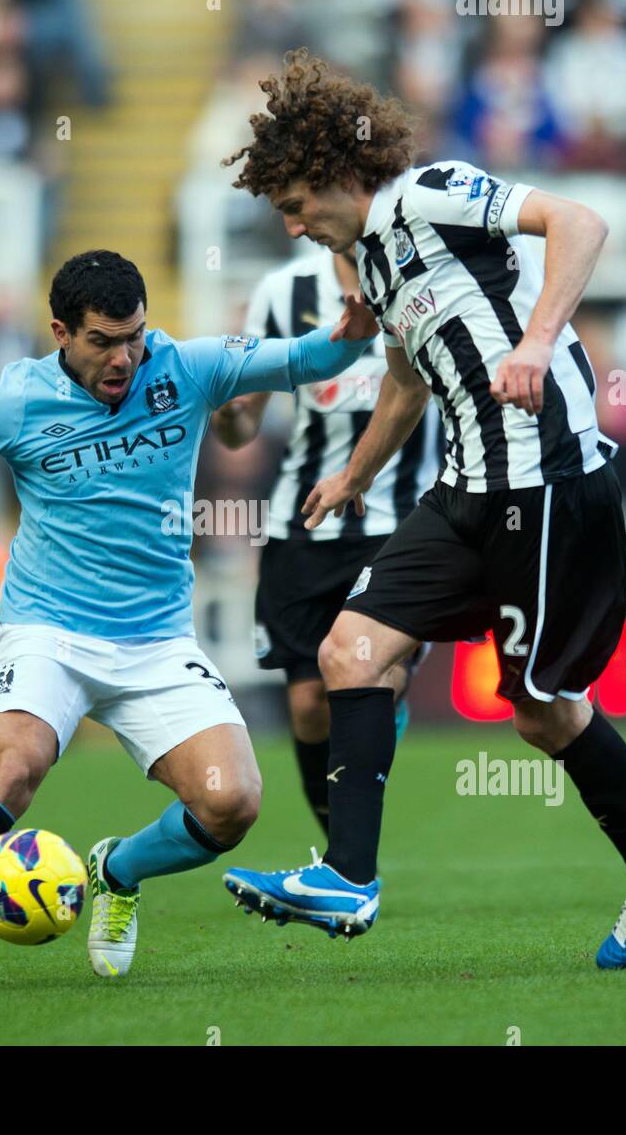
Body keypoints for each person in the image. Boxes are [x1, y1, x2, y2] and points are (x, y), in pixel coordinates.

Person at [219, 50, 626, 969]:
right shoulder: (364, 258)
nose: (291, 225)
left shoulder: (428, 192)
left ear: (332, 173)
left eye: (293, 203)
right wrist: (359, 474)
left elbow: (580, 219)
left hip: (549, 479)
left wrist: (534, 341)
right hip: (466, 490)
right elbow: (409, 373)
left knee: (538, 711)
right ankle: (348, 877)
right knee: (348, 649)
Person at [0, 249, 379, 992]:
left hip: (157, 639)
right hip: (48, 631)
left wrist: (352, 329)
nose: (124, 356)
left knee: (233, 802)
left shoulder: (186, 368)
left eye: (133, 336)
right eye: (102, 340)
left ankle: (116, 869)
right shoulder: (16, 399)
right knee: (15, 763)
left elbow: (308, 355)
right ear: (61, 331)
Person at [211, 243, 438, 833]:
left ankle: (350, 864)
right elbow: (244, 423)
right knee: (310, 706)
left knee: (371, 680)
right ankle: (340, 850)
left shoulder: (424, 274)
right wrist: (226, 413)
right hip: (305, 522)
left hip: (404, 522)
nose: (296, 220)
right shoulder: (284, 292)